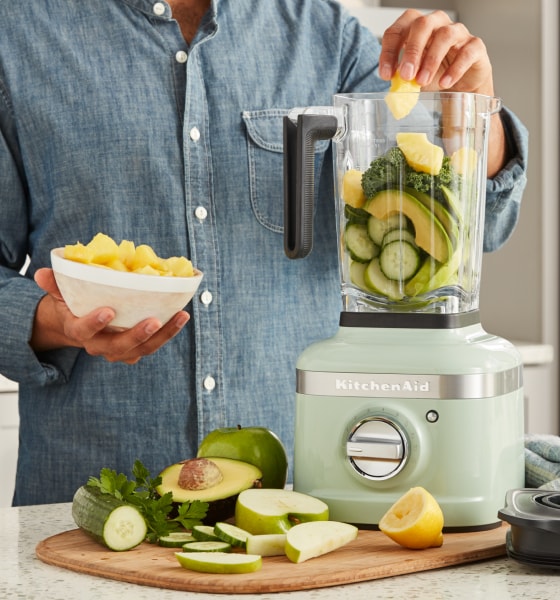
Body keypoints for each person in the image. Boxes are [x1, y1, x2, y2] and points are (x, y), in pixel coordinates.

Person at [0, 0, 528, 506]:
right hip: (92, 500)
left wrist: (474, 107)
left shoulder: (326, 33)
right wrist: (56, 321)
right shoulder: (15, 34)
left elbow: (474, 227)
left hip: (308, 498)